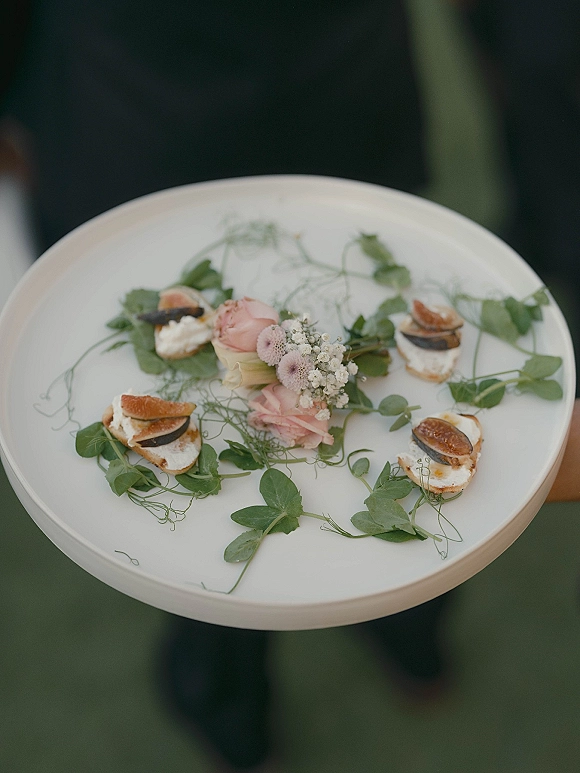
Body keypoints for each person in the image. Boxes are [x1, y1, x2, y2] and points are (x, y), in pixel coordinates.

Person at [1, 3, 576, 771]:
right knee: (233, 468)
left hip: (149, 111)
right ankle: (403, 647)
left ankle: (256, 698)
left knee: (230, 508)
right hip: (320, 93)